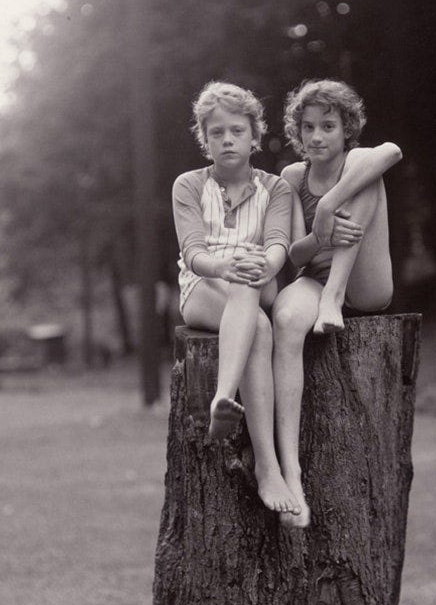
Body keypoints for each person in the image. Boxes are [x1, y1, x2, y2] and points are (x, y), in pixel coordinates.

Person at [271, 80, 402, 527]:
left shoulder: (358, 157)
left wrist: (328, 203)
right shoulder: (292, 178)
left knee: (366, 171)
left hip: (363, 285)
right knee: (286, 318)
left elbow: (393, 151)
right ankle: (291, 473)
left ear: (347, 128)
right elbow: (294, 255)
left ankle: (333, 298)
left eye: (328, 126)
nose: (317, 137)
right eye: (308, 127)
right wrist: (319, 232)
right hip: (315, 276)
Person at [172, 81, 301, 516]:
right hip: (204, 287)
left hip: (257, 277)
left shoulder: (276, 188)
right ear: (204, 139)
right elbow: (193, 253)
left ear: (254, 135)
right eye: (216, 133)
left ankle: (221, 397)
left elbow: (280, 243)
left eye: (237, 131)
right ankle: (269, 468)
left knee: (250, 270)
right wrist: (222, 267)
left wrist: (261, 265)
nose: (227, 140)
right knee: (259, 330)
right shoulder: (188, 185)